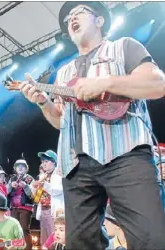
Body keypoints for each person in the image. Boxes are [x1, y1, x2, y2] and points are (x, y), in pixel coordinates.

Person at [18, 1, 165, 249]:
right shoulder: (64, 73)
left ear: (100, 20)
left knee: (151, 238)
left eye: (79, 13)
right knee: (81, 243)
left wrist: (105, 83)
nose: (72, 18)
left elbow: (156, 83)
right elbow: (61, 121)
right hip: (77, 167)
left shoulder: (124, 47)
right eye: (68, 18)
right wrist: (43, 103)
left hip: (126, 156)